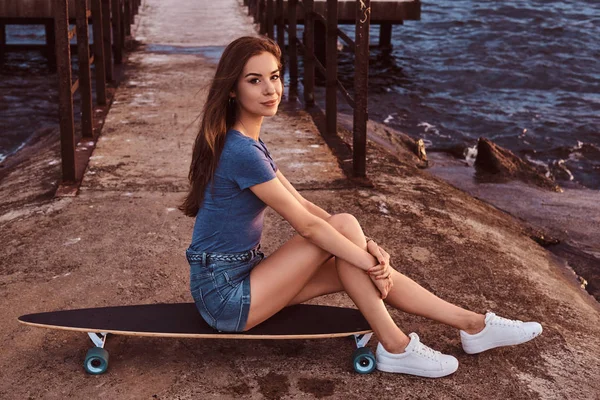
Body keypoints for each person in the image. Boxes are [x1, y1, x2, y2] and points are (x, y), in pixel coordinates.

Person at [180, 36, 542, 378]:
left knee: (350, 248)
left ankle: (473, 325)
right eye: (255, 80)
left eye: (274, 76)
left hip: (244, 277)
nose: (271, 89)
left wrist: (366, 247)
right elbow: (307, 226)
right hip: (225, 296)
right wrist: (369, 259)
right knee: (345, 235)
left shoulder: (248, 143)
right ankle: (397, 346)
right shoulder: (241, 151)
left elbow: (303, 203)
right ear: (232, 89)